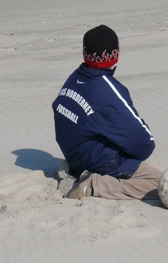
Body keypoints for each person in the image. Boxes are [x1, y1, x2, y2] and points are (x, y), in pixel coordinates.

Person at [52, 24, 162, 200]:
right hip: (95, 159)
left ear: (84, 52)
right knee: (160, 185)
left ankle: (81, 172)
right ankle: (92, 187)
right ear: (115, 54)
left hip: (74, 154)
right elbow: (144, 144)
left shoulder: (75, 77)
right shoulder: (108, 91)